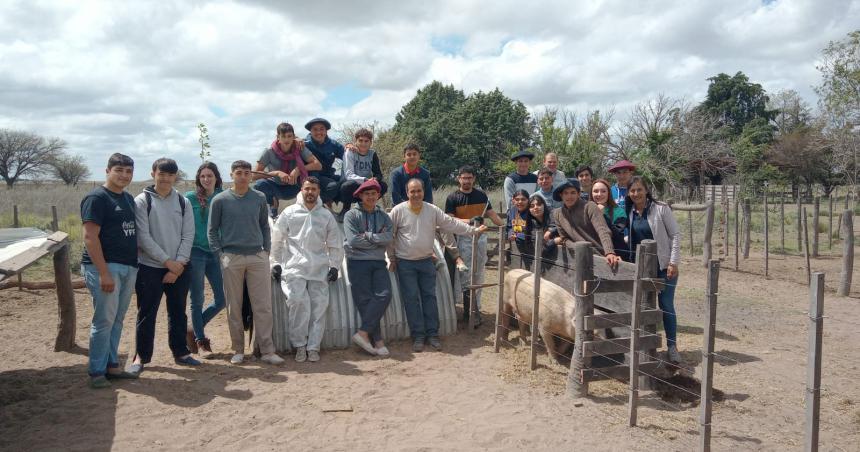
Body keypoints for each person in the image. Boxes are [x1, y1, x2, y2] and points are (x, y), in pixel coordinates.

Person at [388, 179, 487, 352]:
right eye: (412, 191)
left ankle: (433, 334)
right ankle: (418, 336)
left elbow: (451, 223)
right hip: (405, 263)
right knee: (411, 299)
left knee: (430, 298)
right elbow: (390, 235)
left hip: (426, 261)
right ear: (407, 193)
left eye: (419, 190)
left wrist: (473, 231)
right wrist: (392, 258)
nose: (416, 194)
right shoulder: (398, 211)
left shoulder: (432, 210)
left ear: (423, 191)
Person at [208, 160, 284, 366]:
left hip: (257, 256)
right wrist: (220, 255)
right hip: (231, 257)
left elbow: (265, 226)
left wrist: (266, 250)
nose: (242, 176)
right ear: (231, 175)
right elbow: (212, 230)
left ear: (251, 176)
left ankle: (267, 350)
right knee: (234, 306)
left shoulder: (259, 198)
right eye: (239, 172)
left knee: (263, 306)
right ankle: (238, 350)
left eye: (246, 173)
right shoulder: (220, 200)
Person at [131, 158, 199, 373]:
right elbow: (143, 237)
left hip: (180, 266)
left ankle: (181, 352)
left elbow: (188, 234)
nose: (166, 178)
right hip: (150, 267)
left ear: (175, 177)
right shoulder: (142, 201)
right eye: (162, 174)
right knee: (146, 312)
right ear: (153, 174)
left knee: (178, 311)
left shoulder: (182, 202)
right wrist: (168, 263)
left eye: (170, 175)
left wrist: (178, 265)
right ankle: (141, 356)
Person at [80, 153, 140, 389]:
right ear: (107, 171)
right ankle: (96, 371)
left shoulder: (128, 199)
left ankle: (112, 365)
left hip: (128, 266)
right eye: (119, 170)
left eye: (128, 171)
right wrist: (103, 272)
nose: (124, 175)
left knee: (117, 319)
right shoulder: (96, 198)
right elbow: (90, 237)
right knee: (104, 320)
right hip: (105, 267)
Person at [271, 177, 343, 363]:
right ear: (301, 190)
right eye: (307, 188)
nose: (310, 192)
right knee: (298, 302)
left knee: (319, 308)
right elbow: (277, 239)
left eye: (314, 189)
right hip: (294, 267)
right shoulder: (289, 212)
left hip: (319, 267)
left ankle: (313, 347)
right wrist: (275, 263)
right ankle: (300, 345)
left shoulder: (325, 215)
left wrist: (335, 266)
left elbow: (335, 243)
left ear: (319, 191)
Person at [624, 176, 682, 363]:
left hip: (663, 266)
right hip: (642, 269)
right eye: (632, 191)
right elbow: (631, 237)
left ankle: (672, 347)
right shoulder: (630, 212)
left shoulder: (661, 209)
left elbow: (675, 235)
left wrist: (673, 262)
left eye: (639, 189)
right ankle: (647, 348)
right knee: (644, 306)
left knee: (666, 305)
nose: (636, 194)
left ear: (646, 190)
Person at [445, 166, 505, 325]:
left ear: (474, 179)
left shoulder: (481, 195)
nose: (467, 181)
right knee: (466, 274)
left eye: (469, 178)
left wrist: (504, 227)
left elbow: (492, 214)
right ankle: (468, 312)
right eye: (464, 178)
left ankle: (476, 309)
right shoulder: (452, 197)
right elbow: (449, 219)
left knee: (479, 273)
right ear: (459, 179)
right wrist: (470, 221)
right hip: (463, 238)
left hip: (481, 238)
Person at [343, 179, 393, 357]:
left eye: (373, 194)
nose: (371, 197)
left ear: (378, 195)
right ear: (360, 196)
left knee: (384, 294)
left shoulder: (384, 216)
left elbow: (389, 237)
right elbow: (353, 241)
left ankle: (363, 333)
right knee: (365, 300)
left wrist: (369, 236)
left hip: (378, 261)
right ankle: (378, 341)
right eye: (367, 194)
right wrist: (377, 242)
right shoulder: (351, 215)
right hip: (357, 262)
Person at [185, 162, 226, 358]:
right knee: (197, 298)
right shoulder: (190, 198)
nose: (206, 179)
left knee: (223, 298)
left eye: (210, 175)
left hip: (216, 252)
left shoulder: (223, 197)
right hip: (195, 251)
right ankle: (201, 341)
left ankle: (193, 328)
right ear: (198, 179)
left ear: (217, 178)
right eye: (203, 176)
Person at [253, 122, 322, 218]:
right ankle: (272, 209)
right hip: (275, 186)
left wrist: (299, 169)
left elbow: (318, 165)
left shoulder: (299, 147)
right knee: (259, 184)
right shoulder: (269, 151)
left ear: (293, 137)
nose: (286, 139)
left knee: (314, 175)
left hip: (295, 185)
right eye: (283, 136)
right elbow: (254, 175)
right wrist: (276, 173)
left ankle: (312, 210)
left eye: (289, 136)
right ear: (278, 137)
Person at [550, 179, 621, 267]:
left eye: (573, 192)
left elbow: (602, 230)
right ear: (561, 195)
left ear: (578, 194)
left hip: (600, 255)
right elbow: (564, 238)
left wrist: (609, 252)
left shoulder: (590, 206)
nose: (569, 196)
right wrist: (577, 248)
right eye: (566, 193)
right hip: (578, 257)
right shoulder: (557, 214)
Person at [339, 128, 388, 217]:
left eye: (366, 141)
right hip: (352, 186)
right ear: (356, 141)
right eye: (360, 140)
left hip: (366, 186)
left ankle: (367, 206)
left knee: (383, 186)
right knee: (348, 185)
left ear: (370, 142)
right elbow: (349, 175)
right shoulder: (349, 152)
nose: (363, 144)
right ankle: (345, 209)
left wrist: (375, 179)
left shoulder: (372, 154)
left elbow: (378, 173)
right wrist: (366, 180)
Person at [303, 117, 345, 206]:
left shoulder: (333, 145)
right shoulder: (304, 144)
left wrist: (350, 146)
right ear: (310, 131)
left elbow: (347, 157)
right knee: (332, 186)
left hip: (329, 175)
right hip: (312, 177)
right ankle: (318, 205)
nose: (319, 132)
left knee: (348, 184)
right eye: (315, 129)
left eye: (322, 129)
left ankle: (341, 207)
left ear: (326, 131)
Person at [591, 178, 628, 261]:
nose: (599, 194)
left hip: (615, 255)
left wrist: (602, 215)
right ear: (591, 193)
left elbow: (617, 235)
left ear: (609, 193)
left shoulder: (619, 212)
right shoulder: (586, 210)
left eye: (603, 191)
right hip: (593, 254)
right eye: (596, 191)